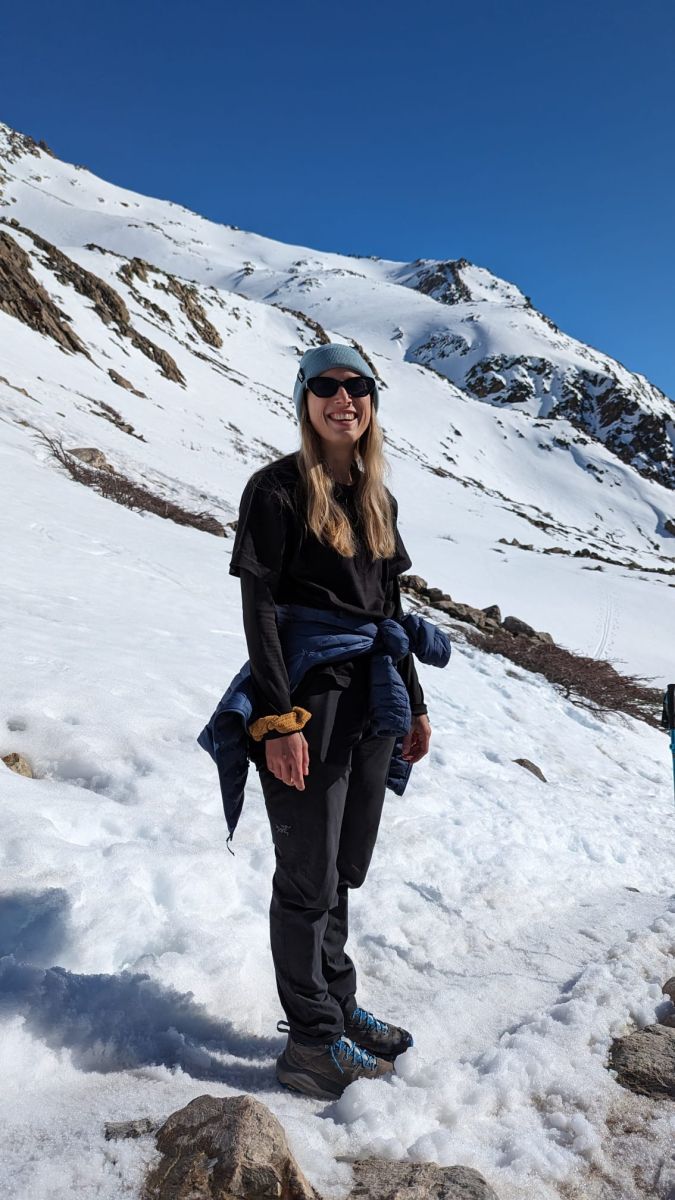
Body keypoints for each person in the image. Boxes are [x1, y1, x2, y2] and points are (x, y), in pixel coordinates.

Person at [228, 343, 435, 1100]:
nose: (341, 398)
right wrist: (278, 722)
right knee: (307, 875)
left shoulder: (376, 496)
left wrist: (411, 702)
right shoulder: (277, 489)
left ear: (372, 401)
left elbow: (389, 613)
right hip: (308, 702)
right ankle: (310, 1044)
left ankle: (338, 1005)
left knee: (342, 867)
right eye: (325, 386)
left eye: (357, 387)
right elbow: (260, 612)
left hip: (369, 701)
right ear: (304, 398)